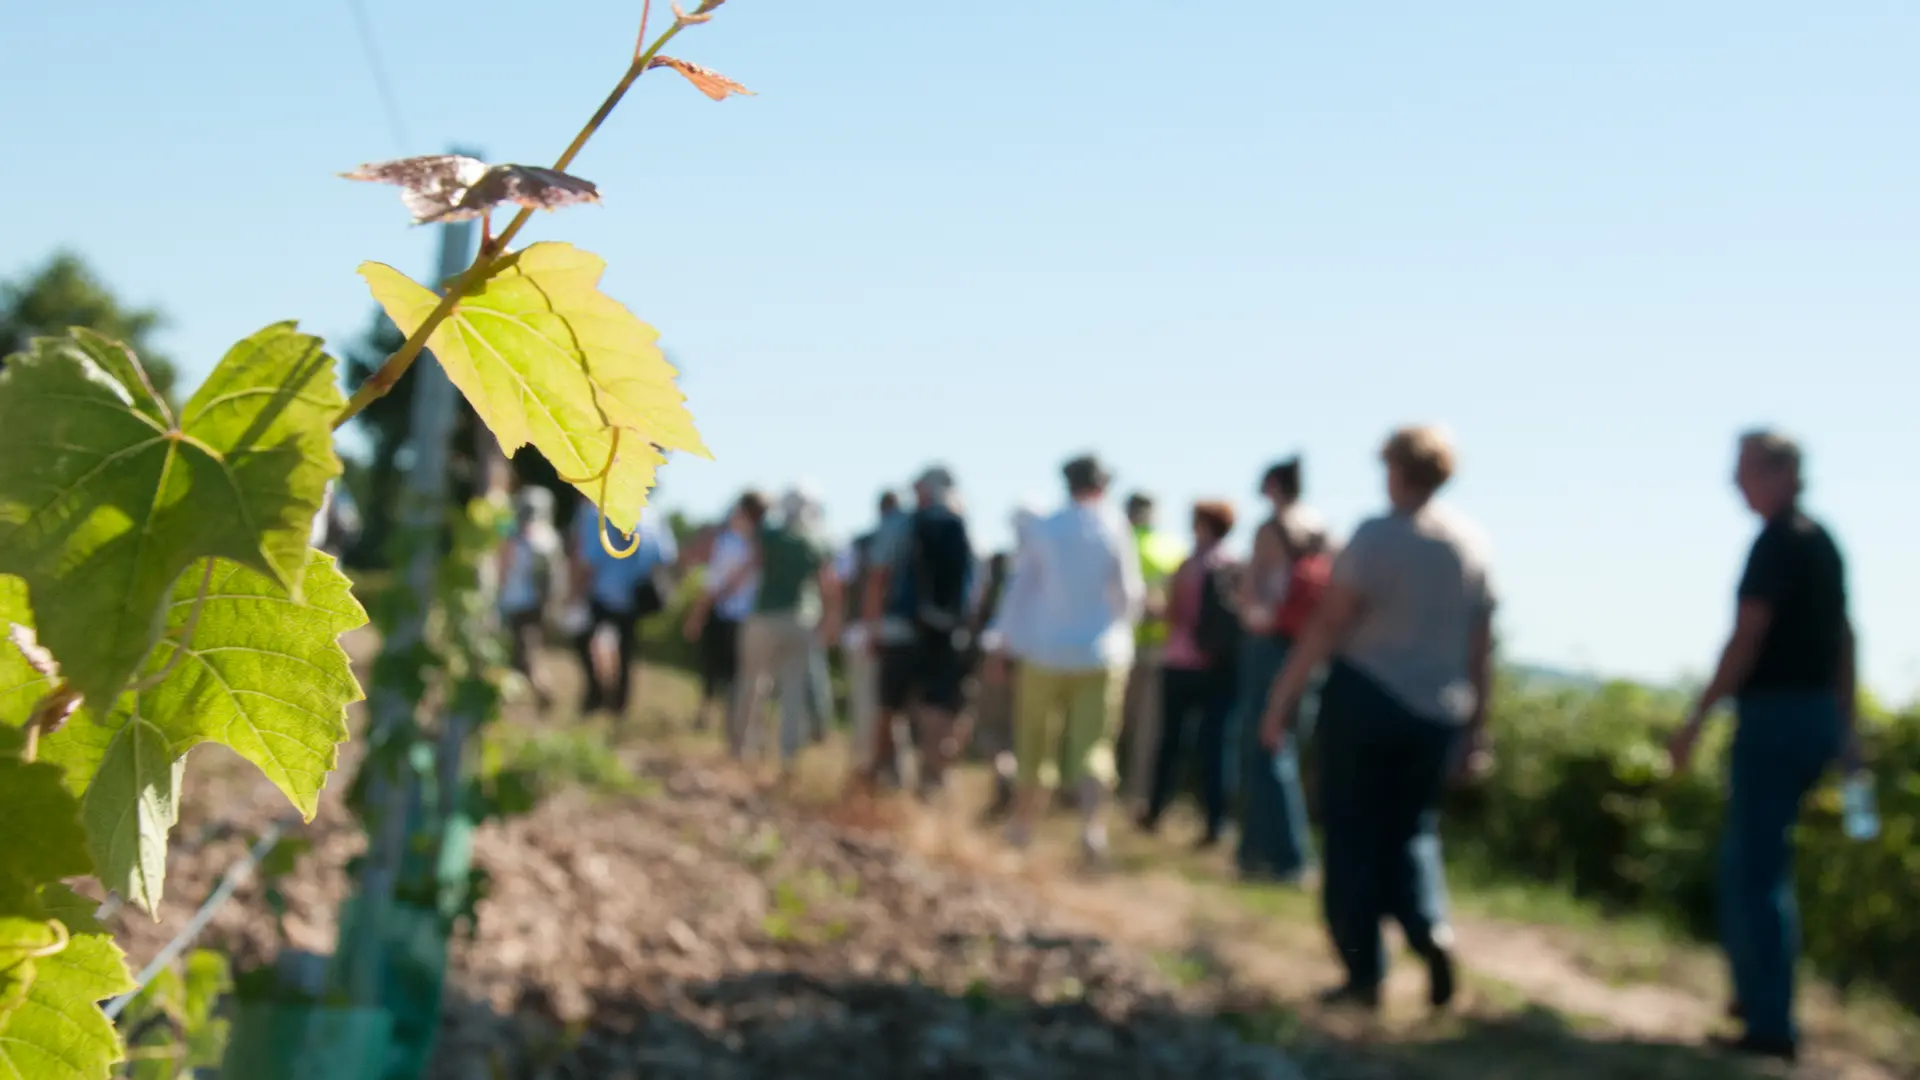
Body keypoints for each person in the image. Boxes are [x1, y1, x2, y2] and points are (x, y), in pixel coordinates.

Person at [1260, 425, 1494, 1013]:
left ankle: (1364, 971)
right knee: (1412, 829)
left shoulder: (1378, 537)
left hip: (1367, 697)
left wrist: (1280, 700)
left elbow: (1327, 624)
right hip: (1438, 711)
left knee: (1352, 832)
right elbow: (1480, 646)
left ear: (1395, 469)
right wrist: (1476, 729)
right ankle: (1428, 927)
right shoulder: (1470, 544)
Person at [1666, 430, 1859, 1064]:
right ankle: (1756, 1000)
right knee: (1758, 865)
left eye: (1744, 470)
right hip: (1815, 719)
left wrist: (1697, 717)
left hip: (1776, 717)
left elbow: (1747, 636)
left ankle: (1770, 1023)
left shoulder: (1777, 543)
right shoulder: (1823, 543)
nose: (1735, 483)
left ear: (1779, 473)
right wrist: (1847, 726)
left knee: (1753, 869)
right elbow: (1844, 641)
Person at [984, 454, 1144, 861]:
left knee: (1035, 743)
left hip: (1044, 652)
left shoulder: (1046, 528)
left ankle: (1021, 829)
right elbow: (1130, 595)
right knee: (1094, 747)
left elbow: (1019, 591)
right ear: (1103, 485)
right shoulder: (1113, 527)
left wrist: (1003, 643)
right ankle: (1092, 831)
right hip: (1100, 654)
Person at [691, 487, 843, 773]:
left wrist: (720, 594)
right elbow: (829, 584)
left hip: (765, 618)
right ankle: (787, 759)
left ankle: (741, 749)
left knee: (751, 683)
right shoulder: (817, 542)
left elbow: (749, 565)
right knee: (794, 691)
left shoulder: (770, 535)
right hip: (802, 621)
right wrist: (831, 620)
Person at [1233, 456, 1327, 883]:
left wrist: (1248, 610)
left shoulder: (1271, 530)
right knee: (1283, 742)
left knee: (1266, 745)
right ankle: (1257, 851)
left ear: (1273, 485)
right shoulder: (1320, 528)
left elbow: (1253, 592)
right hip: (1308, 648)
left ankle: (1286, 856)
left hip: (1270, 643)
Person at [861, 466, 975, 798]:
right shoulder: (963, 527)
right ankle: (932, 784)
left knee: (889, 706)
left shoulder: (902, 524)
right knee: (937, 709)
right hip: (947, 634)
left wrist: (873, 627)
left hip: (900, 629)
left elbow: (878, 577)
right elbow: (972, 592)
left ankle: (883, 777)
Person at [1139, 500, 1243, 848]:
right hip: (1222, 669)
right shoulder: (1234, 566)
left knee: (1171, 742)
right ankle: (1216, 822)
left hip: (1181, 663)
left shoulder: (1190, 566)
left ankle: (1154, 811)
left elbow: (1172, 614)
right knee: (1215, 748)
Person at [568, 498, 678, 720]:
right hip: (633, 597)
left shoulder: (594, 512)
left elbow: (588, 561)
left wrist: (575, 595)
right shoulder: (652, 514)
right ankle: (619, 704)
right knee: (625, 651)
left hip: (603, 594)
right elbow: (666, 556)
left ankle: (596, 695)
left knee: (585, 642)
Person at [1120, 492, 1189, 815]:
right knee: (1144, 727)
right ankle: (1135, 792)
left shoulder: (1123, 542)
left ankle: (1113, 790)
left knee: (1118, 723)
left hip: (1130, 645)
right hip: (1152, 645)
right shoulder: (1171, 547)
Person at [838, 491, 904, 778]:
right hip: (898, 634)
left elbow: (841, 583)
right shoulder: (909, 542)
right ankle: (889, 771)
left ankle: (867, 767)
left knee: (867, 705)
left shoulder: (862, 543)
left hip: (866, 632)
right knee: (892, 709)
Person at [685, 493, 763, 732]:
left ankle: (709, 716)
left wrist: (697, 616)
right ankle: (733, 723)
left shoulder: (728, 543)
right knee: (737, 674)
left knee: (714, 669)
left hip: (725, 614)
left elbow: (712, 583)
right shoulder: (761, 546)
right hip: (748, 619)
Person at [499, 485, 564, 709]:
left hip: (527, 607)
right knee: (521, 655)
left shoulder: (541, 539)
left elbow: (552, 581)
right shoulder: (526, 535)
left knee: (526, 657)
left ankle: (545, 695)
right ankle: (515, 699)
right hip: (518, 604)